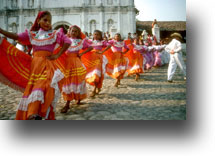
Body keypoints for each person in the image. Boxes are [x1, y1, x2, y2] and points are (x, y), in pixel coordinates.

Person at [0, 11, 71, 120]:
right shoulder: (33, 35)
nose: (47, 23)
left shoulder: (54, 34)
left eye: (49, 21)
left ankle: (38, 113)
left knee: (44, 87)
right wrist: (1, 31)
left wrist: (57, 55)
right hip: (36, 66)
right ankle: (37, 115)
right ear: (38, 21)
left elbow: (67, 42)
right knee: (36, 89)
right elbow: (16, 36)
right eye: (45, 20)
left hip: (48, 65)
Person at [60, 25, 93, 113]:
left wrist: (82, 54)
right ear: (69, 32)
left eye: (75, 31)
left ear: (78, 33)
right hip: (67, 63)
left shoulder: (80, 41)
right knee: (68, 81)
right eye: (72, 31)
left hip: (75, 62)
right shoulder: (65, 40)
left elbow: (90, 47)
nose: (73, 33)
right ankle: (68, 102)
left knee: (76, 81)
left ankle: (74, 100)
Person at [81, 30, 109, 97]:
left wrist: (102, 51)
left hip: (99, 59)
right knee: (91, 73)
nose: (96, 36)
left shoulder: (102, 42)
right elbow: (84, 46)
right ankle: (97, 87)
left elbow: (109, 45)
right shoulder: (90, 41)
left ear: (100, 36)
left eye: (97, 34)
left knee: (96, 73)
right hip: (91, 59)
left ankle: (95, 89)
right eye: (95, 34)